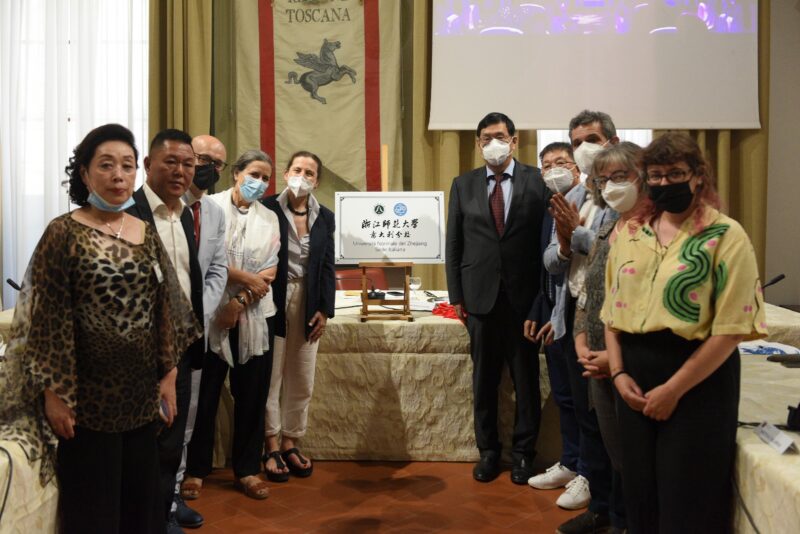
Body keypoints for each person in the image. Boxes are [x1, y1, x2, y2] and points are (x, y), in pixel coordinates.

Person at [0, 123, 201, 534]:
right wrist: (55, 394)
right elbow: (47, 322)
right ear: (85, 173)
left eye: (127, 166)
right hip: (87, 401)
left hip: (139, 395)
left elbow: (165, 307)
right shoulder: (63, 232)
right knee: (94, 509)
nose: (118, 176)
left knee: (139, 507)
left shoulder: (143, 232)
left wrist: (168, 375)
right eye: (106, 165)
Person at [603, 132, 767, 533]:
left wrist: (674, 390)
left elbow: (732, 329)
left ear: (698, 176)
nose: (664, 183)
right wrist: (618, 374)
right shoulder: (631, 232)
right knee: (640, 499)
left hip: (697, 382)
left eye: (675, 173)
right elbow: (611, 312)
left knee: (687, 503)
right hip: (632, 378)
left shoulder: (726, 235)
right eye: (655, 175)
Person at [445, 112, 549, 484]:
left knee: (526, 381)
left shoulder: (538, 181)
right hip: (479, 299)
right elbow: (454, 243)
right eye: (486, 137)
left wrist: (543, 299)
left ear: (514, 141)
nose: (494, 143)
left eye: (500, 136)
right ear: (478, 144)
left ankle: (523, 455)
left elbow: (546, 242)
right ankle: (488, 452)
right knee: (484, 381)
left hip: (525, 300)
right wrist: (456, 295)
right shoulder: (463, 184)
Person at [541, 111, 621, 534]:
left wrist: (576, 236)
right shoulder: (573, 195)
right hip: (572, 314)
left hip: (609, 319)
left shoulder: (624, 194)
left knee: (612, 423)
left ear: (612, 142)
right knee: (585, 416)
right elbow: (551, 260)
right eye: (576, 142)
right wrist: (565, 244)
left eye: (592, 139)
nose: (583, 148)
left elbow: (618, 253)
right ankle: (600, 506)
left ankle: (619, 512)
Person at [184, 149, 280, 500]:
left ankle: (247, 469)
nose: (260, 183)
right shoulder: (210, 208)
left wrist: (239, 301)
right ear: (236, 173)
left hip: (255, 315)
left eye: (266, 178)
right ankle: (196, 469)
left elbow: (270, 270)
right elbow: (204, 259)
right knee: (205, 396)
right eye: (254, 174)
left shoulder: (269, 217)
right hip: (212, 312)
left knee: (253, 396)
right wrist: (242, 281)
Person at [126, 129, 208, 534]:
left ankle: (165, 508)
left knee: (174, 438)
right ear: (148, 165)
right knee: (147, 438)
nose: (180, 171)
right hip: (143, 350)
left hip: (184, 344)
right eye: (171, 162)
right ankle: (147, 518)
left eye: (188, 164)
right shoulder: (129, 215)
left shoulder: (184, 214)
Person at [573, 142, 648, 534]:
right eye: (604, 180)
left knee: (638, 462)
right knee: (615, 456)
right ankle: (617, 521)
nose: (612, 186)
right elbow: (588, 291)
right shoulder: (606, 227)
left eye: (621, 176)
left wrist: (615, 360)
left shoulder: (656, 231)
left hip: (633, 365)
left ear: (642, 176)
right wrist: (581, 339)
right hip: (596, 361)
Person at [261, 150, 336, 482]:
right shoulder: (266, 208)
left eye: (309, 173)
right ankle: (270, 444)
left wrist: (324, 310)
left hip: (309, 299)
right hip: (272, 297)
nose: (301, 177)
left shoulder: (325, 216)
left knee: (302, 376)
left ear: (316, 181)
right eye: (296, 169)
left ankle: (291, 441)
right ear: (285, 173)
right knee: (271, 375)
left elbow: (328, 265)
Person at [172, 134, 229, 530]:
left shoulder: (213, 212)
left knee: (185, 419)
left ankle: (172, 494)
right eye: (203, 158)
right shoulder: (159, 208)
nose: (208, 168)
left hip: (196, 332)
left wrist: (200, 312)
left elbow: (217, 270)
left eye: (217, 163)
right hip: (158, 331)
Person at [524, 142, 582, 495]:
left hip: (580, 317)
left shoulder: (588, 204)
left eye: (561, 162)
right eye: (546, 165)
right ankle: (571, 462)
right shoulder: (550, 208)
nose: (554, 169)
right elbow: (546, 266)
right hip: (555, 315)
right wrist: (543, 309)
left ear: (578, 167)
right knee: (564, 397)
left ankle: (588, 472)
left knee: (583, 402)